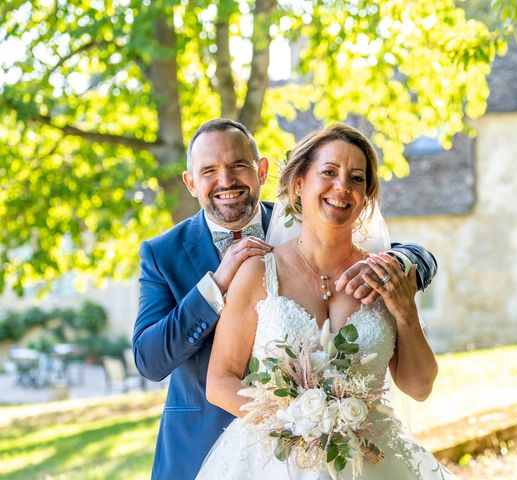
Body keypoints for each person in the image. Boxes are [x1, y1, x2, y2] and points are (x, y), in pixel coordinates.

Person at [132, 118, 438, 480]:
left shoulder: (306, 224)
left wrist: (407, 265)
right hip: (213, 452)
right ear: (191, 182)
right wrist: (214, 286)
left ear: (262, 171)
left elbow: (393, 250)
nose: (226, 180)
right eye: (209, 170)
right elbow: (150, 360)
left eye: (238, 165)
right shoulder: (162, 253)